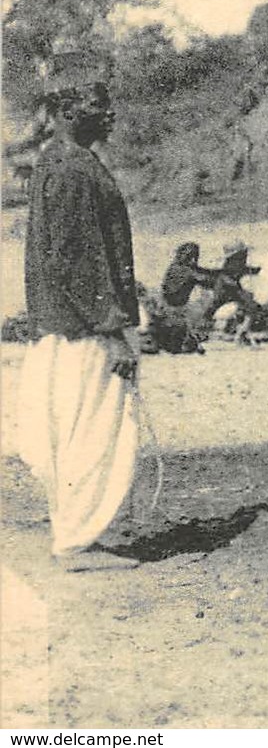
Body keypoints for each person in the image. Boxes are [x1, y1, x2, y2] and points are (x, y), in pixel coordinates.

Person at [15, 54, 144, 571]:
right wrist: (113, 331)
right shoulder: (71, 168)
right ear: (68, 109)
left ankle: (72, 533)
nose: (108, 113)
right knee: (92, 430)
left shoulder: (59, 160)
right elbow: (77, 259)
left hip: (65, 326)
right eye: (98, 103)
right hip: (85, 330)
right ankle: (76, 542)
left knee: (66, 430)